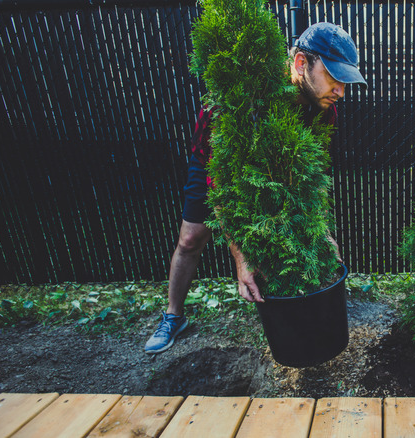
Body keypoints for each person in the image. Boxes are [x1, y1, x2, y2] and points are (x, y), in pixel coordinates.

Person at [145, 22, 367, 354]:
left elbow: (312, 177)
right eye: (334, 78)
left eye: (345, 82)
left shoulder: (324, 112)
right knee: (191, 239)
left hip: (272, 172)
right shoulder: (251, 94)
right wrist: (241, 255)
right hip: (216, 163)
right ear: (301, 63)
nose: (341, 91)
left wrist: (321, 231)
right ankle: (173, 315)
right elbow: (222, 185)